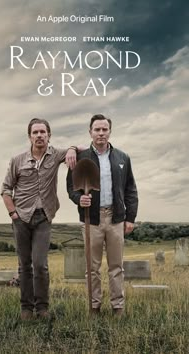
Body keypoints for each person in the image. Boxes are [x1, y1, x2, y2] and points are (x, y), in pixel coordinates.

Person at [1, 118, 78, 321]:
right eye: (35, 132)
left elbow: (81, 149)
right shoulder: (17, 160)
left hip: (44, 218)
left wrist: (71, 148)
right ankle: (26, 308)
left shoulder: (56, 155)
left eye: (43, 132)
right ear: (29, 136)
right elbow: (6, 189)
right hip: (21, 219)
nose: (39, 135)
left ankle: (42, 308)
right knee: (24, 265)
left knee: (40, 264)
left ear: (49, 135)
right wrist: (13, 214)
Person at [67, 114, 138, 315]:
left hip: (116, 218)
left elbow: (131, 188)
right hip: (92, 219)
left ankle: (118, 307)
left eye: (104, 129)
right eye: (97, 129)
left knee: (116, 266)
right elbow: (71, 186)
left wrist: (130, 217)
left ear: (109, 131)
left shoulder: (122, 158)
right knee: (93, 268)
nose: (100, 133)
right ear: (90, 132)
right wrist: (78, 199)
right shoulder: (82, 158)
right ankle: (94, 307)